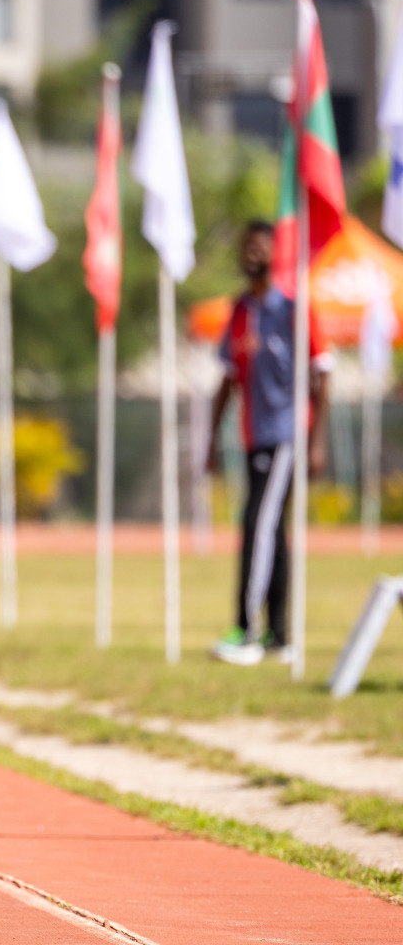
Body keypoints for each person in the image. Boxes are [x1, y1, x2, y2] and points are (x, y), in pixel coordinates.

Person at [206, 219, 332, 665]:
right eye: (246, 247)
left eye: (258, 247)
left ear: (275, 253)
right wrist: (210, 440)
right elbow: (227, 379)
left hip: (286, 434)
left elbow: (323, 375)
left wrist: (316, 442)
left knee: (256, 523)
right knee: (273, 532)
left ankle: (246, 629)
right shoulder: (240, 311)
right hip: (252, 435)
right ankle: (279, 636)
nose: (250, 254)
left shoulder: (295, 310)